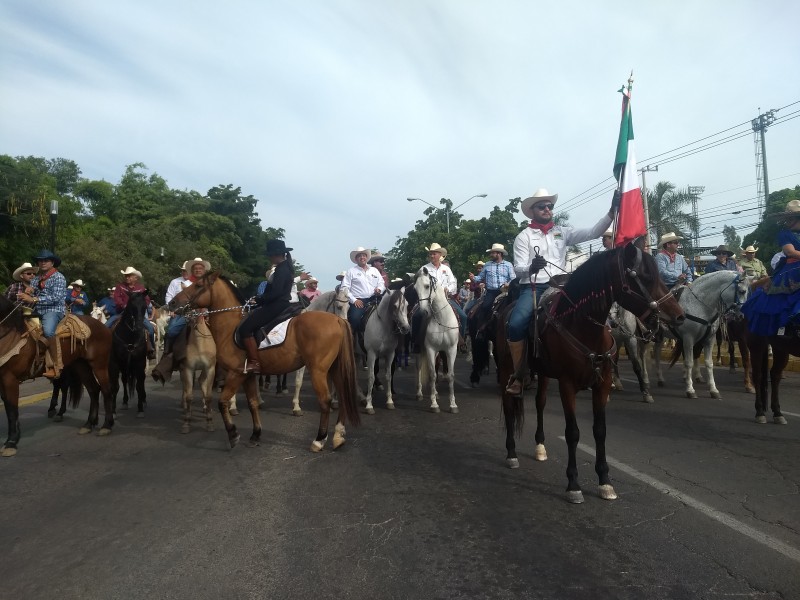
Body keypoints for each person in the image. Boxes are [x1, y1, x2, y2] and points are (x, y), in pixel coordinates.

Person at [506, 188, 616, 397]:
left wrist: (611, 212)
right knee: (516, 324)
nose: (547, 209)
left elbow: (593, 232)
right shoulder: (524, 236)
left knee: (605, 318)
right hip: (535, 287)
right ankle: (519, 374)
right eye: (542, 206)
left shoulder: (562, 232)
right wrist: (531, 267)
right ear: (532, 210)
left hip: (563, 286)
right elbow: (518, 268)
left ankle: (601, 366)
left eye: (550, 206)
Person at [742, 199, 800, 336]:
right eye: (787, 218)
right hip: (793, 269)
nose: (787, 221)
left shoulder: (759, 262)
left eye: (790, 218)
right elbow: (790, 252)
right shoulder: (785, 234)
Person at [240, 239, 296, 373]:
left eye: (270, 255)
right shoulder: (284, 267)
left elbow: (276, 292)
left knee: (245, 329)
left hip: (277, 304)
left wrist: (260, 299)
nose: (269, 257)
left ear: (277, 254)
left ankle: (254, 363)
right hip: (279, 303)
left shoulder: (282, 269)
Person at [152, 257, 211, 382]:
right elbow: (169, 297)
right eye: (195, 268)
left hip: (205, 313)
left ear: (204, 270)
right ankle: (168, 356)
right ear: (192, 270)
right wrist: (172, 310)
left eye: (200, 268)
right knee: (171, 330)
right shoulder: (180, 283)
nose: (198, 270)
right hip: (183, 314)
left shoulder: (209, 283)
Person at [16, 250, 67, 378]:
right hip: (37, 310)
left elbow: (56, 298)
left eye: (46, 260)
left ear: (52, 262)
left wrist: (33, 299)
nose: (42, 263)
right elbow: (34, 293)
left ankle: (56, 365)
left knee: (49, 331)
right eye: (40, 260)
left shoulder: (59, 277)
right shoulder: (36, 278)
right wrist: (29, 292)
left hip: (54, 310)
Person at [412, 242, 467, 348]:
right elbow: (418, 283)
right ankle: (416, 342)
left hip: (446, 299)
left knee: (463, 317)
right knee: (416, 316)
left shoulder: (446, 269)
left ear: (440, 255)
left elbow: (453, 283)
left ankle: (460, 341)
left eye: (434, 253)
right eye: (430, 254)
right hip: (428, 300)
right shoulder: (424, 269)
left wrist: (448, 289)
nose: (432, 256)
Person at [106, 266, 156, 360]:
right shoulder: (120, 286)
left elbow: (147, 300)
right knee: (106, 326)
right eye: (126, 276)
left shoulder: (141, 289)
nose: (127, 278)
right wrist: (124, 305)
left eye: (129, 276)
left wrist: (139, 306)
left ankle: (151, 349)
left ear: (135, 278)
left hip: (137, 314)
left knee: (150, 329)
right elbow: (117, 298)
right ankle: (106, 349)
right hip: (122, 313)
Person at [469, 243, 515, 334]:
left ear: (499, 254)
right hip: (492, 292)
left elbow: (513, 278)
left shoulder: (508, 265)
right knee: (485, 306)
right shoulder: (487, 265)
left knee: (514, 306)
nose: (490, 255)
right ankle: (482, 329)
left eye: (492, 253)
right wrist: (473, 278)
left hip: (506, 291)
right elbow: (480, 277)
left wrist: (508, 284)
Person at [342, 246, 385, 334]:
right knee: (354, 319)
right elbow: (344, 288)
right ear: (356, 259)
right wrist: (354, 300)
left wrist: (379, 289)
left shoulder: (374, 270)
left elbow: (381, 283)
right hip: (359, 302)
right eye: (359, 256)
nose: (362, 257)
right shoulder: (351, 271)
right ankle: (351, 340)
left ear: (366, 257)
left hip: (375, 299)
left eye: (364, 255)